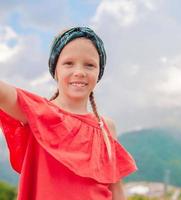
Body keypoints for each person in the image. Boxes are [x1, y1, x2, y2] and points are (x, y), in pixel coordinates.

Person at [0, 27, 137, 200]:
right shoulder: (39, 112)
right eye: (68, 63)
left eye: (90, 65)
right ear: (55, 69)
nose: (79, 72)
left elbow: (116, 189)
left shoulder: (106, 127)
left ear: (99, 72)